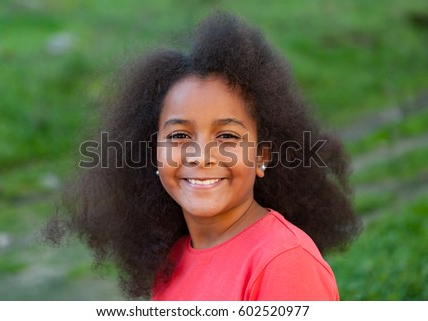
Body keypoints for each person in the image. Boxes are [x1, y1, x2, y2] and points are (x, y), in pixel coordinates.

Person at [44, 12, 361, 300]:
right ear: (153, 153)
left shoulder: (284, 262)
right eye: (180, 135)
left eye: (227, 136)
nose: (200, 156)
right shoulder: (173, 259)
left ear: (262, 154)